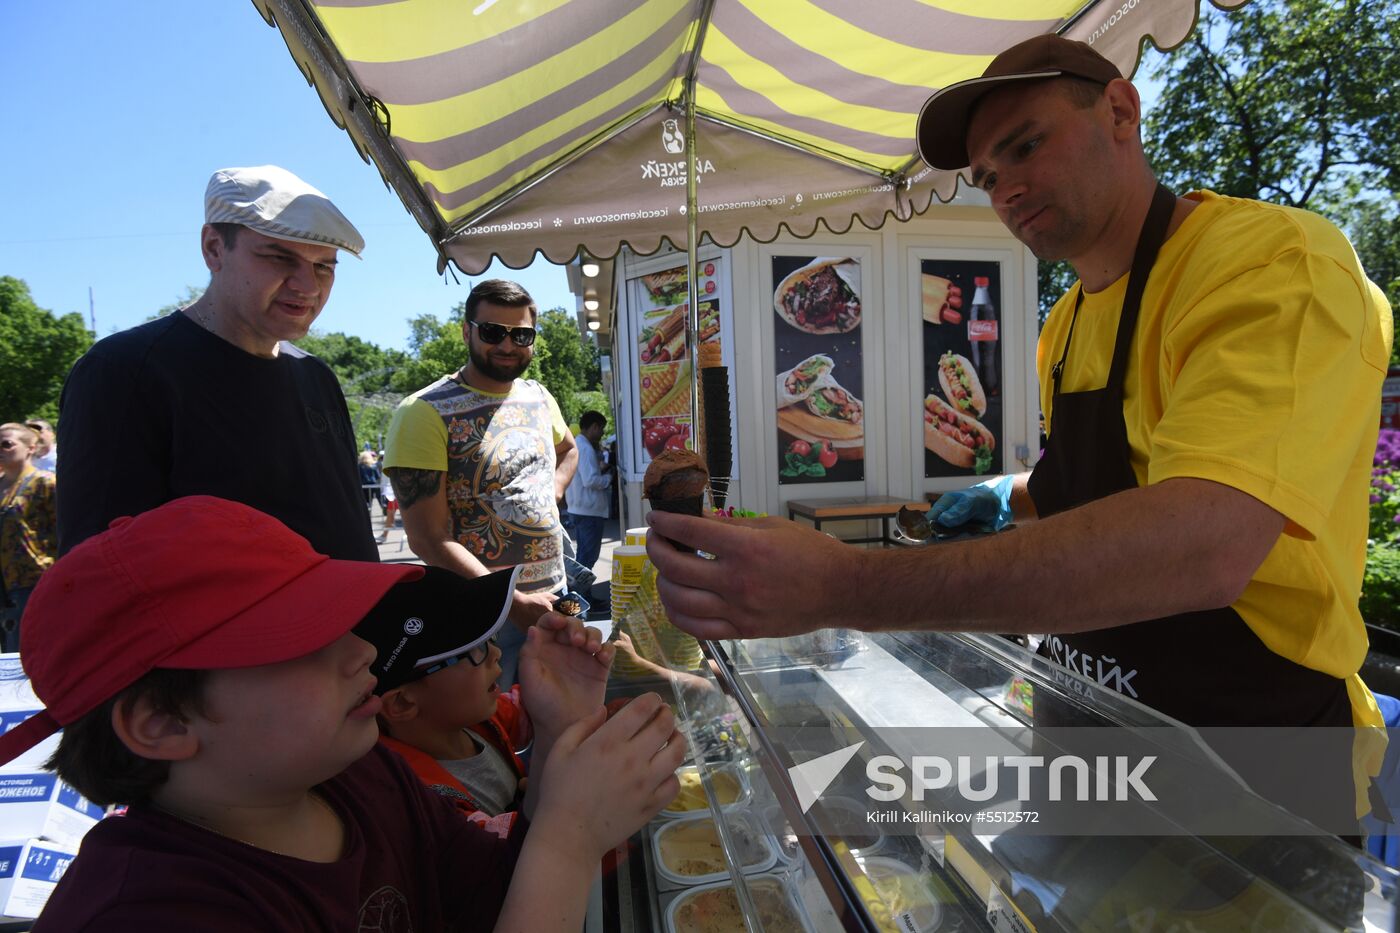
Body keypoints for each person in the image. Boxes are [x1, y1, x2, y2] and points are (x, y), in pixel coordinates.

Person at [645, 36, 1393, 833]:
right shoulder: (1064, 325)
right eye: (988, 177)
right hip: (1097, 754)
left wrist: (845, 586)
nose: (1007, 190)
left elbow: (1207, 540)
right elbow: (1102, 484)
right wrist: (1007, 495)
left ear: (1119, 111)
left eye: (1026, 145)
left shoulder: (1275, 264)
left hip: (1256, 777)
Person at [4, 496, 683, 931]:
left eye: (347, 619)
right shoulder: (149, 912)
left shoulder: (363, 777)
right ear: (162, 722)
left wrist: (562, 738)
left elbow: (488, 899)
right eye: (303, 637)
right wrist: (566, 841)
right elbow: (545, 869)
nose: (365, 650)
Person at [55, 165, 377, 561]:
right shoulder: (122, 372)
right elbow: (98, 571)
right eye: (279, 257)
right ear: (213, 248)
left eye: (324, 266)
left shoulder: (316, 375)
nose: (308, 286)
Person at [385, 279, 579, 686]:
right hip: (484, 619)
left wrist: (553, 490)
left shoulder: (539, 397)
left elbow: (568, 450)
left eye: (521, 335)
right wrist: (512, 602)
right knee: (502, 734)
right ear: (466, 330)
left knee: (563, 724)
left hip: (554, 597)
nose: (508, 345)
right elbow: (428, 539)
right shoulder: (423, 412)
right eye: (493, 332)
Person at [365, 564, 602, 832]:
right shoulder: (420, 805)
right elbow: (521, 849)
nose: (496, 654)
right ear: (402, 703)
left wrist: (560, 675)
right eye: (474, 649)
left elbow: (531, 712)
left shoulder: (466, 721)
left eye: (490, 638)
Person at [0, 424, 56, 654]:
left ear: (31, 447)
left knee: (26, 657)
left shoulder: (45, 483)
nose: (1, 449)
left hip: (32, 582)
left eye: (7, 444)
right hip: (2, 584)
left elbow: (64, 531)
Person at [564, 410, 613, 575]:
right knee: (587, 558)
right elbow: (590, 480)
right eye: (601, 429)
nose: (602, 434)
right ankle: (582, 597)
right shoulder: (585, 448)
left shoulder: (578, 444)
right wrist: (608, 478)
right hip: (588, 510)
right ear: (594, 427)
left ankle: (584, 596)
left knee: (583, 557)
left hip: (579, 508)